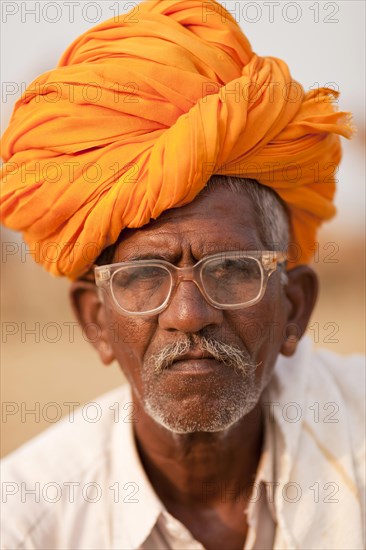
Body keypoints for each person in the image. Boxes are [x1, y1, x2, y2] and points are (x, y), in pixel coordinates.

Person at [1, 1, 364, 549]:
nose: (189, 315)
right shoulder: (29, 522)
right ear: (95, 321)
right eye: (145, 276)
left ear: (294, 307)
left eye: (233, 270)